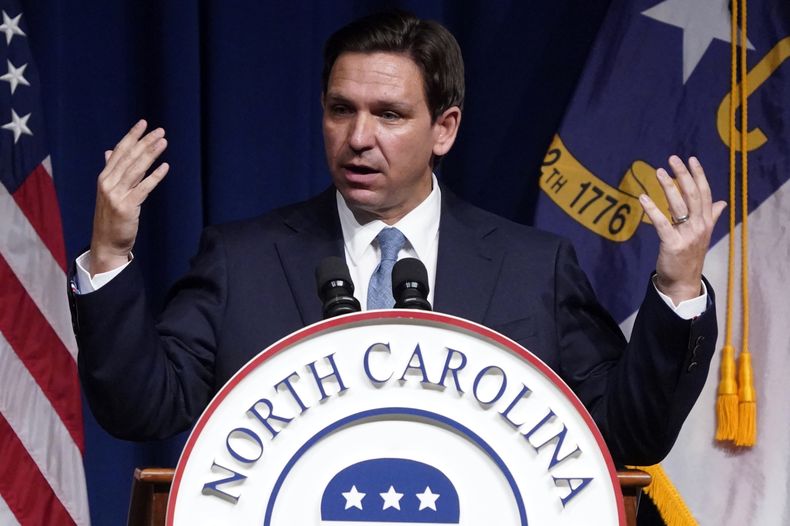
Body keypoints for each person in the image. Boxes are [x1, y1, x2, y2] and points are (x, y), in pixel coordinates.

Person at [69, 11, 725, 466]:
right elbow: (140, 409)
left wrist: (678, 287)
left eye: (388, 114)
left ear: (444, 129)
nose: (358, 138)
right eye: (341, 110)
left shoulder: (534, 269)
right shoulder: (242, 260)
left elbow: (629, 433)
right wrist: (110, 256)